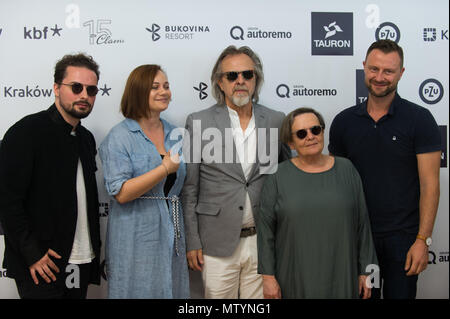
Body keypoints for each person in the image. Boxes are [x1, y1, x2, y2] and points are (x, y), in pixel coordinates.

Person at [329, 39, 441, 299]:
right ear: (364, 68)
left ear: (401, 73)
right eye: (374, 69)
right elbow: (337, 184)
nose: (380, 77)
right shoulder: (344, 122)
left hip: (403, 240)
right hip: (358, 239)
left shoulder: (420, 119)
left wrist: (422, 240)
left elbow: (430, 186)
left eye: (388, 71)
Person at [182, 45, 290, 299]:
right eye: (232, 75)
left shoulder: (277, 120)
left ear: (256, 79)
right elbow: (189, 189)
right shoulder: (198, 122)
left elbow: (288, 178)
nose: (240, 81)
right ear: (220, 82)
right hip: (215, 243)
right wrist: (193, 240)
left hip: (263, 242)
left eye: (247, 74)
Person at [0, 53, 102, 299]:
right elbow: (6, 200)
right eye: (76, 87)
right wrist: (32, 253)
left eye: (91, 90)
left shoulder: (86, 138)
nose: (84, 95)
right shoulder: (26, 132)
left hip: (80, 260)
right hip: (40, 265)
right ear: (56, 88)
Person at [256, 107, 378, 299]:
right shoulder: (277, 176)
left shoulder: (347, 169)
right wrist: (268, 278)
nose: (310, 136)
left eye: (315, 130)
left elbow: (363, 225)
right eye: (301, 133)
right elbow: (265, 233)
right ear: (291, 143)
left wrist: (369, 272)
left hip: (343, 275)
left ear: (322, 131)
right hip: (294, 277)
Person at [99, 64, 189, 299]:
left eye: (167, 86)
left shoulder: (174, 134)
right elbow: (121, 192)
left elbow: (180, 188)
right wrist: (164, 169)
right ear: (138, 91)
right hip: (135, 233)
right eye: (155, 87)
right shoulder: (120, 136)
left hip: (173, 232)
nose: (164, 92)